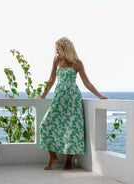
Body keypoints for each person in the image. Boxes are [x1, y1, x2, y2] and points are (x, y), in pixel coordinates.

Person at [38, 37, 107, 170]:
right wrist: (44, 95)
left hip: (72, 100)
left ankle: (69, 160)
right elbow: (51, 79)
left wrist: (99, 96)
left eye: (58, 48)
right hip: (58, 99)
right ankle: (53, 157)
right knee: (45, 125)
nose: (56, 51)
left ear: (65, 49)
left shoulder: (78, 63)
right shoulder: (56, 60)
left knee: (72, 130)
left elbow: (86, 83)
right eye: (56, 49)